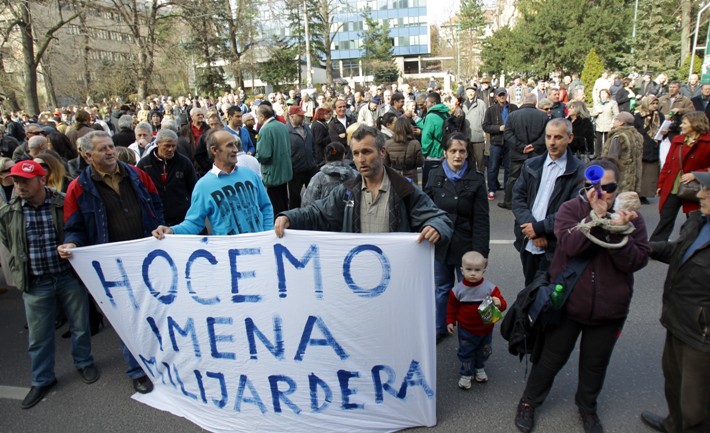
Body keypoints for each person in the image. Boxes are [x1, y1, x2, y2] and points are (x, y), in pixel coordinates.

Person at [514, 158, 650, 433]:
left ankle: (587, 407)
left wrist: (618, 230)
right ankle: (529, 401)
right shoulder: (571, 210)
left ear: (617, 187)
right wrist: (594, 219)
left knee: (595, 363)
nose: (600, 193)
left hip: (610, 309)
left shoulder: (632, 218)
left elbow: (636, 261)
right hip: (569, 304)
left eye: (608, 187)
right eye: (593, 186)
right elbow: (571, 246)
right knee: (550, 359)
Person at [58, 130, 163, 395]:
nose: (109, 152)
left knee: (157, 312)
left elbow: (156, 205)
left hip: (146, 259)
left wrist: (161, 227)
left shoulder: (137, 175)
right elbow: (74, 226)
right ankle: (137, 370)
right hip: (111, 267)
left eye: (110, 147)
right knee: (126, 319)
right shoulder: (77, 189)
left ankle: (162, 362)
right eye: (102, 149)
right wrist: (72, 244)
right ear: (86, 154)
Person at [0, 160, 98, 409]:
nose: (20, 186)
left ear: (41, 180)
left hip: (67, 276)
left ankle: (84, 363)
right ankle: (42, 379)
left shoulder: (63, 202)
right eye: (17, 181)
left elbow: (80, 230)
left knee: (80, 325)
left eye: (25, 180)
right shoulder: (9, 212)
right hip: (35, 281)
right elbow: (10, 243)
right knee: (39, 335)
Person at [273, 125, 452, 244]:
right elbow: (317, 213)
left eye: (366, 151)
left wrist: (435, 227)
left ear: (382, 152)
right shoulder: (346, 191)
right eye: (356, 153)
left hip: (395, 279)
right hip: (358, 278)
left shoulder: (403, 189)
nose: (360, 159)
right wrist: (289, 217)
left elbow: (440, 218)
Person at [640, 171, 710, 433]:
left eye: (708, 191)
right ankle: (672, 424)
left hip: (702, 334)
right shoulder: (698, 222)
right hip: (677, 318)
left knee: (696, 406)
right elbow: (678, 249)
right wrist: (646, 248)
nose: (700, 194)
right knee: (673, 380)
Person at [425, 132, 489, 343]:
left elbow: (481, 219)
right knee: (442, 288)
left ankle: (478, 328)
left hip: (467, 247)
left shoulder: (476, 179)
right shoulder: (433, 175)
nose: (457, 155)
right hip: (441, 245)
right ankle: (440, 326)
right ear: (445, 152)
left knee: (472, 290)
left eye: (462, 151)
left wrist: (481, 252)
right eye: (453, 151)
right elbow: (425, 211)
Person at [152, 129, 273, 237]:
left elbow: (265, 206)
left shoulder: (250, 174)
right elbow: (194, 223)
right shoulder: (203, 186)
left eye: (235, 144)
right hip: (229, 256)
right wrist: (172, 231)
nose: (236, 150)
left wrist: (267, 234)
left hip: (259, 251)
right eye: (230, 145)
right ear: (214, 150)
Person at [512, 118, 586, 286]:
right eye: (548, 137)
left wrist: (540, 229)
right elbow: (517, 198)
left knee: (551, 297)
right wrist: (532, 229)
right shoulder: (531, 164)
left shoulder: (579, 172)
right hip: (528, 241)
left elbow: (573, 210)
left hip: (555, 246)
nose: (551, 143)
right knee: (529, 293)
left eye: (558, 137)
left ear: (570, 138)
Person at [446, 251, 506, 389]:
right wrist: (450, 321)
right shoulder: (458, 290)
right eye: (469, 269)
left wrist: (499, 303)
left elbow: (502, 305)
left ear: (484, 271)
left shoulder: (490, 288)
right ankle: (466, 373)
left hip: (486, 329)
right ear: (461, 270)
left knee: (483, 351)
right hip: (466, 329)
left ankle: (480, 367)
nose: (473, 273)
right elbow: (452, 307)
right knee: (466, 352)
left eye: (477, 270)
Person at [650, 111, 710, 241]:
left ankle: (691, 248)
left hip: (695, 188)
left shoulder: (708, 142)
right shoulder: (678, 140)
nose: (681, 126)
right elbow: (668, 164)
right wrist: (660, 184)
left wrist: (695, 175)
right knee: (666, 219)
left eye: (684, 123)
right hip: (673, 185)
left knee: (694, 220)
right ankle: (655, 246)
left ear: (695, 124)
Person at [137, 129, 197, 226]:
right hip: (156, 216)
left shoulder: (184, 162)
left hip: (181, 216)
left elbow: (194, 188)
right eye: (167, 146)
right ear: (157, 144)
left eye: (173, 146)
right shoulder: (144, 164)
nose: (170, 149)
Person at [500, 94, 549, 210]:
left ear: (522, 101)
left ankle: (508, 201)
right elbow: (546, 135)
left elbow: (507, 134)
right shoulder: (543, 116)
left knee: (513, 178)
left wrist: (521, 146)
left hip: (518, 153)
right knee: (537, 178)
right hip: (536, 153)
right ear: (535, 102)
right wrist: (534, 146)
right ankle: (535, 202)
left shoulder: (512, 116)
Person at [256, 103, 292, 215]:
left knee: (276, 206)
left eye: (257, 116)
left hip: (273, 173)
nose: (257, 118)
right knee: (284, 201)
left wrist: (256, 156)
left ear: (262, 116)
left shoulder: (266, 129)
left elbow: (264, 155)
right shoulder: (281, 125)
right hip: (284, 171)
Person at [483, 87, 518, 200]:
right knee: (493, 167)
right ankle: (492, 189)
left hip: (510, 141)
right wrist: (498, 128)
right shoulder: (491, 110)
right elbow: (485, 126)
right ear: (496, 97)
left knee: (509, 167)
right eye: (500, 95)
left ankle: (507, 190)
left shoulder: (513, 108)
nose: (502, 97)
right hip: (496, 141)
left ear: (507, 95)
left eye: (504, 94)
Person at [301, 142, 357, 207]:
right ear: (343, 155)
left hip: (325, 215)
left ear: (325, 157)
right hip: (349, 215)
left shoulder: (318, 178)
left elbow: (308, 203)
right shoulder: (355, 174)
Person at [602, 112, 643, 194]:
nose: (613, 122)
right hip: (633, 178)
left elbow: (612, 157)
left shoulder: (620, 136)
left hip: (621, 177)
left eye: (616, 119)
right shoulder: (638, 136)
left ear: (621, 122)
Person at [635, 96, 666, 204]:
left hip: (654, 146)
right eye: (652, 104)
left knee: (649, 173)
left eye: (656, 104)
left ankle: (645, 194)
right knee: (639, 171)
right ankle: (636, 193)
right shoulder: (638, 116)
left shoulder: (659, 116)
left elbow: (663, 128)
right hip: (641, 146)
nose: (655, 106)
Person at [286, 105, 317, 209]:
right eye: (299, 116)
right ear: (291, 116)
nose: (302, 117)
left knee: (314, 195)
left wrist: (314, 160)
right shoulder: (286, 131)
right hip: (296, 171)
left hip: (310, 168)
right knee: (295, 198)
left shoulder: (306, 127)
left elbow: (312, 145)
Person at [384, 116, 423, 185]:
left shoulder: (388, 144)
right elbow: (420, 163)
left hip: (395, 176)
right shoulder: (415, 143)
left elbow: (386, 163)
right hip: (411, 177)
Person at [592, 89, 619, 158]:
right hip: (599, 125)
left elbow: (616, 114)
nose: (603, 95)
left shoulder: (612, 103)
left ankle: (607, 155)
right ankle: (598, 155)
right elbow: (592, 113)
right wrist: (596, 113)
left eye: (605, 93)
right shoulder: (597, 103)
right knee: (598, 142)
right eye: (601, 94)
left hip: (608, 124)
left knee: (607, 141)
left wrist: (613, 123)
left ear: (608, 94)